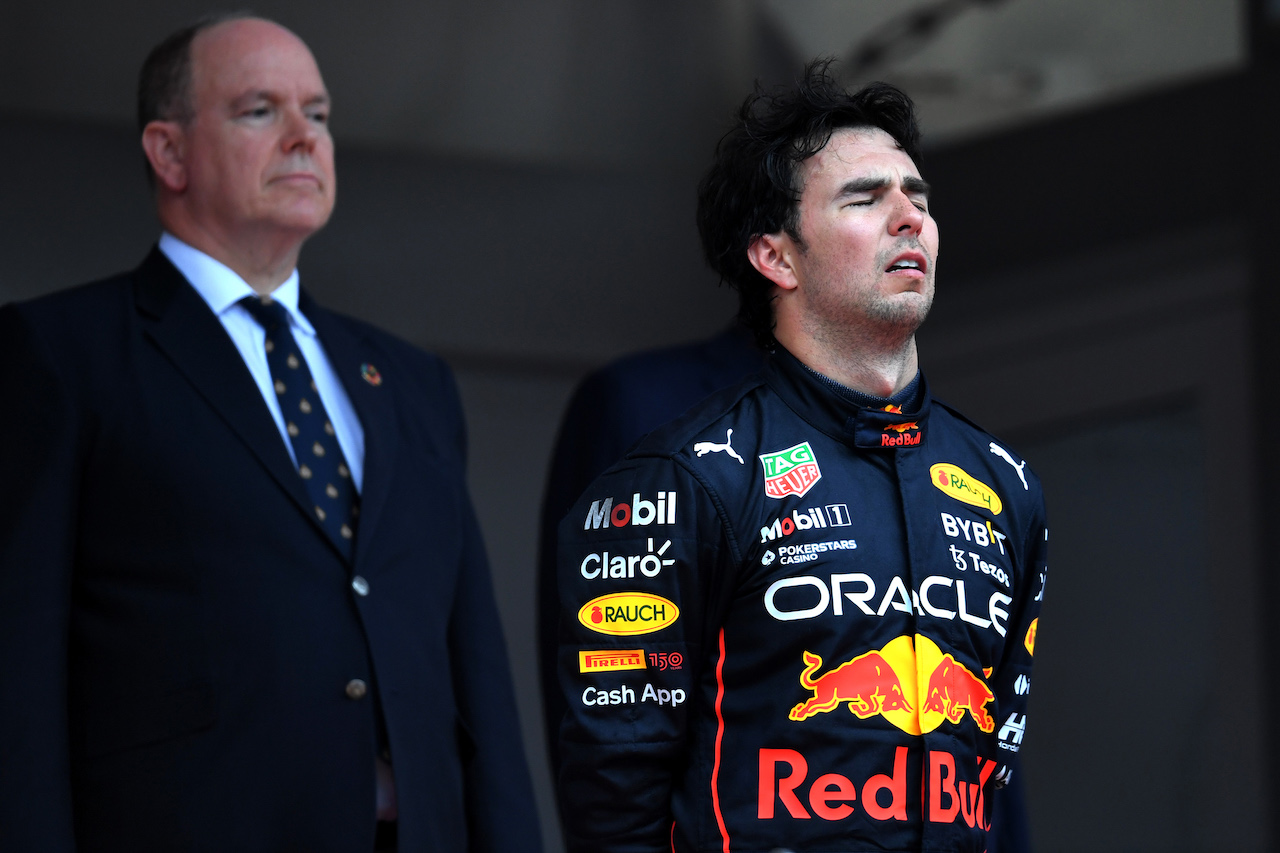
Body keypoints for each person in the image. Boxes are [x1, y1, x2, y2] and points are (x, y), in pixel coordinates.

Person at [0, 16, 540, 853]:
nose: (303, 139)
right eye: (260, 110)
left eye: (318, 115)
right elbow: (16, 679)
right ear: (168, 153)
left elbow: (477, 677)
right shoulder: (59, 355)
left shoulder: (411, 379)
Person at [554, 61, 1047, 852]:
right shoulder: (686, 480)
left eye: (918, 198)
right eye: (865, 198)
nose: (908, 219)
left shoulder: (1005, 483)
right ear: (776, 257)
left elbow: (993, 775)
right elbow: (614, 794)